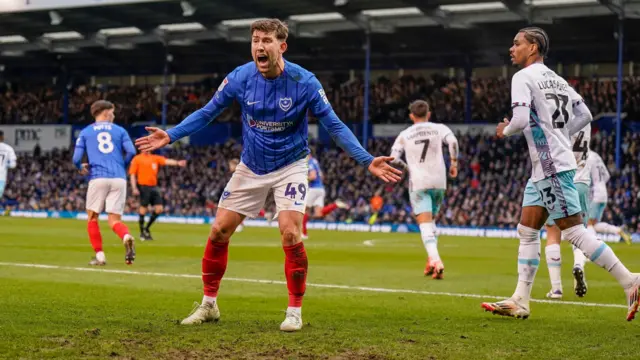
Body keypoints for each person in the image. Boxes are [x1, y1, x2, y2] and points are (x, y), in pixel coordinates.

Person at [135, 18, 402, 331]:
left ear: (282, 46)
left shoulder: (305, 82)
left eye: (266, 41)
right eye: (255, 40)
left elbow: (334, 125)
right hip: (250, 166)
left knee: (290, 233)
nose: (259, 46)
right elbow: (208, 112)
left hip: (290, 166)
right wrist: (172, 134)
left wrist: (366, 159)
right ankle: (209, 305)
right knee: (218, 231)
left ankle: (294, 311)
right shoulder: (240, 77)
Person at [481, 27, 639, 321]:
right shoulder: (558, 79)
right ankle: (520, 299)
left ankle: (630, 280)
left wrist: (505, 131)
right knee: (527, 230)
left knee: (574, 232)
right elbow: (586, 116)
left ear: (533, 48)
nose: (511, 48)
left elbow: (517, 119)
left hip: (552, 165)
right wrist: (560, 133)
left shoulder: (523, 77)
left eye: (517, 43)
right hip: (542, 168)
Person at [389, 100, 459, 279]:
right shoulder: (439, 128)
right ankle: (431, 261)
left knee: (425, 223)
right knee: (432, 222)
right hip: (439, 181)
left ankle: (436, 260)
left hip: (419, 182)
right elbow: (453, 142)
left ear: (411, 116)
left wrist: (406, 168)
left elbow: (393, 158)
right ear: (429, 114)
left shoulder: (405, 134)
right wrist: (454, 163)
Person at [72, 100, 136, 266]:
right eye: (112, 112)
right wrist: (121, 164)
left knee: (92, 217)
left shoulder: (86, 132)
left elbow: (76, 159)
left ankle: (100, 256)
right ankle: (126, 236)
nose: (113, 115)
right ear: (106, 113)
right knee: (114, 220)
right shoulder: (120, 130)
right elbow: (131, 151)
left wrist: (80, 167)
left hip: (98, 177)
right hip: (119, 178)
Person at [543, 124, 591, 299]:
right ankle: (579, 265)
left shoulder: (560, 115)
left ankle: (556, 289)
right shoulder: (585, 120)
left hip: (563, 180)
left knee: (552, 233)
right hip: (583, 181)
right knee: (580, 234)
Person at [129, 151, 187, 241]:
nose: (147, 148)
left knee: (159, 209)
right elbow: (132, 174)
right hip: (143, 186)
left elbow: (166, 161)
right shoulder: (137, 159)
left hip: (154, 186)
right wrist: (134, 188)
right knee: (143, 209)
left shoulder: (155, 158)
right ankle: (142, 233)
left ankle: (146, 228)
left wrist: (177, 163)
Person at [586, 150, 632, 244]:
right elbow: (607, 176)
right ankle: (618, 230)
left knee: (588, 223)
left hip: (595, 193)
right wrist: (600, 183)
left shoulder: (586, 158)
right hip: (603, 192)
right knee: (594, 224)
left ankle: (594, 246)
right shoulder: (596, 156)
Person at [302, 151, 349, 240]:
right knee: (318, 213)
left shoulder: (310, 163)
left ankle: (304, 234)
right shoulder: (316, 162)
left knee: (304, 210)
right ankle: (336, 204)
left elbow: (313, 176)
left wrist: (304, 178)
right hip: (320, 189)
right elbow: (322, 176)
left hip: (314, 189)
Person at [0, 130, 17, 211]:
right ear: (2, 137)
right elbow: (13, 165)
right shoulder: (8, 148)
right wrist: (5, 165)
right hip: (1, 177)